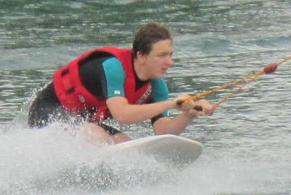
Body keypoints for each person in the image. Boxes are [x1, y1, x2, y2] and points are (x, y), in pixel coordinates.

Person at [26, 21, 214, 143]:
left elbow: (163, 131)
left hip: (79, 119)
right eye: (162, 55)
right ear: (141, 56)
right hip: (48, 112)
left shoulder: (156, 86)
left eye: (170, 55)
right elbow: (122, 115)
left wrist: (190, 114)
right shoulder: (113, 68)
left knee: (126, 144)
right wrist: (172, 104)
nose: (169, 61)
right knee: (96, 136)